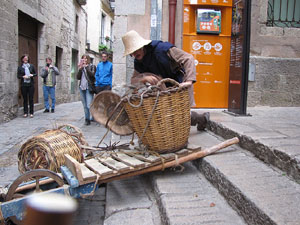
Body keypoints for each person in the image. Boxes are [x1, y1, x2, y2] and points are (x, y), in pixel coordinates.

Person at [121, 30, 209, 131]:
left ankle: (200, 121)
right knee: (170, 116)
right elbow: (133, 80)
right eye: (131, 52)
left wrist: (189, 81)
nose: (134, 54)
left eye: (135, 50)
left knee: (181, 115)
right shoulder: (139, 62)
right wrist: (143, 79)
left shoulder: (162, 49)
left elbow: (188, 58)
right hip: (163, 90)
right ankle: (202, 119)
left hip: (180, 84)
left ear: (142, 46)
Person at [77, 54, 96, 125]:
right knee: (84, 105)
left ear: (88, 59)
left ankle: (94, 116)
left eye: (85, 59)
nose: (84, 60)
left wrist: (86, 68)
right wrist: (80, 69)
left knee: (89, 105)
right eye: (83, 59)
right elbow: (78, 77)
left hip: (89, 88)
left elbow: (92, 75)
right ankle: (87, 119)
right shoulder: (81, 68)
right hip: (82, 87)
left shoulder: (92, 66)